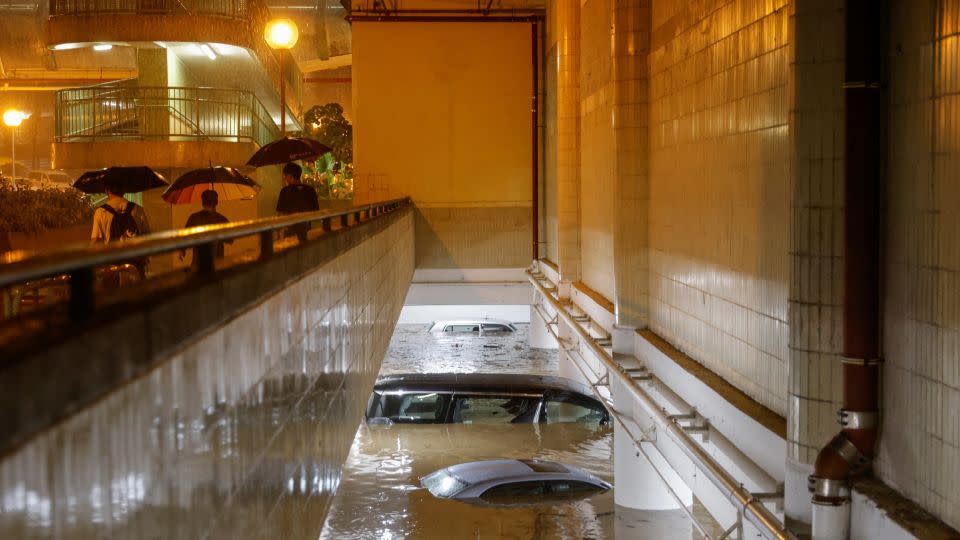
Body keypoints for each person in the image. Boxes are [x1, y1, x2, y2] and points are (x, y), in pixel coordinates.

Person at [89, 178, 151, 279]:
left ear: (107, 190)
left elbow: (95, 240)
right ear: (124, 190)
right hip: (135, 267)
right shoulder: (138, 209)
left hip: (113, 268)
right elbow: (147, 236)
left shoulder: (100, 212)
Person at [179, 189, 231, 266]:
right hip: (217, 262)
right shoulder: (222, 219)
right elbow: (230, 240)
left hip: (198, 262)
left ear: (202, 202)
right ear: (216, 203)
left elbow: (185, 236)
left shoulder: (194, 218)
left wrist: (182, 250)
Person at [275, 162, 319, 243]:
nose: (285, 178)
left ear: (290, 176)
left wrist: (277, 231)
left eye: (285, 175)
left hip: (289, 230)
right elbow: (316, 211)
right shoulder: (310, 190)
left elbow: (280, 213)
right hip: (306, 229)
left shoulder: (285, 191)